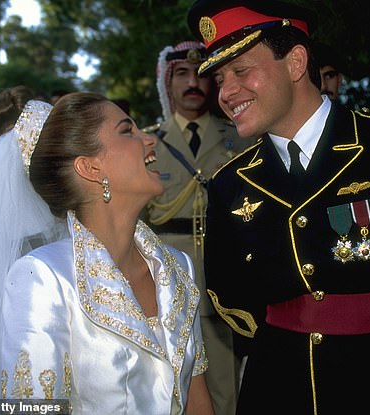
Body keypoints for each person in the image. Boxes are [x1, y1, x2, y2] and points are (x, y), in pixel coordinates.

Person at [187, 0, 370, 414]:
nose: (226, 92)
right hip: (277, 387)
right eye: (218, 78)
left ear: (296, 62)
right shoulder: (229, 183)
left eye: (240, 71)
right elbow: (228, 294)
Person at [0, 87, 215, 415]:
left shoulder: (177, 266)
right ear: (90, 168)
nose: (150, 140)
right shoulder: (43, 277)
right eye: (128, 131)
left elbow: (197, 398)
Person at [144, 39, 255, 415]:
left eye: (202, 75)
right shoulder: (146, 143)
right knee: (164, 381)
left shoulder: (241, 137)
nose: (193, 83)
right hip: (161, 278)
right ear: (166, 82)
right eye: (182, 75)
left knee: (224, 384)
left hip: (219, 277)